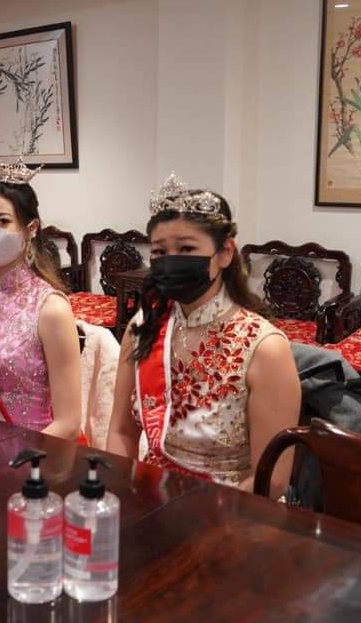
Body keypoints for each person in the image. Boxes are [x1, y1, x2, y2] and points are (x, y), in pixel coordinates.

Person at [106, 173, 300, 497]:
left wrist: (198, 518)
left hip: (232, 508)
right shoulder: (143, 328)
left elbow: (272, 479)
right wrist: (122, 493)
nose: (171, 261)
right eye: (159, 252)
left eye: (186, 248)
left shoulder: (265, 348)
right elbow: (122, 432)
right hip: (150, 496)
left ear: (225, 252)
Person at [0, 156, 81, 441]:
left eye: (2, 221)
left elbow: (68, 423)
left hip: (37, 454)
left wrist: (21, 461)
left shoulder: (51, 309)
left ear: (31, 228)